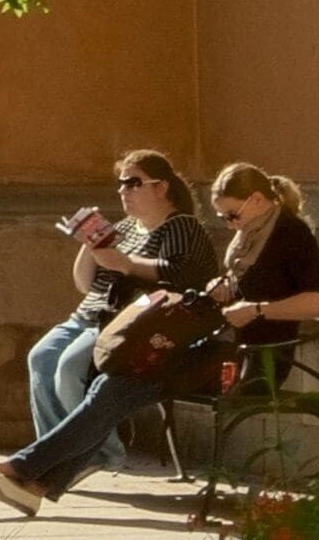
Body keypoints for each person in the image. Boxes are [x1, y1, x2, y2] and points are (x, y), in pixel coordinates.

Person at [0, 162, 319, 515]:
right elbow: (243, 286)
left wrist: (258, 310)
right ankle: (32, 481)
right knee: (112, 384)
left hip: (255, 361)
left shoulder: (290, 234)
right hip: (214, 350)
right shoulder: (248, 235)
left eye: (232, 215)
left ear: (257, 200)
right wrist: (220, 288)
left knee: (114, 388)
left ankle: (25, 472)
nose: (228, 223)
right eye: (223, 217)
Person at [30, 151, 221, 469]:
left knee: (68, 368)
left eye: (133, 183)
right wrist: (90, 245)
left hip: (130, 324)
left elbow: (181, 276)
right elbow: (84, 284)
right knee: (40, 358)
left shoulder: (181, 226)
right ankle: (53, 453)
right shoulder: (125, 228)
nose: (123, 191)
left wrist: (127, 264)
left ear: (161, 187)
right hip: (88, 315)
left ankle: (103, 453)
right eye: (120, 184)